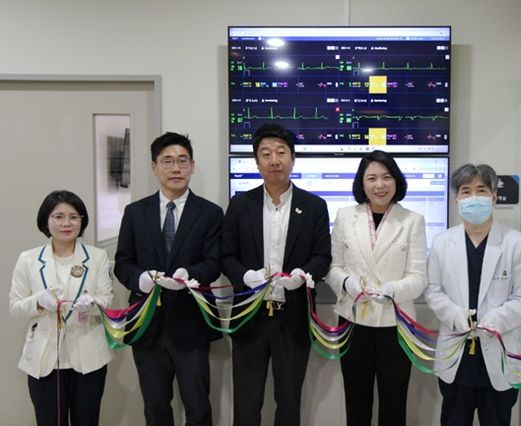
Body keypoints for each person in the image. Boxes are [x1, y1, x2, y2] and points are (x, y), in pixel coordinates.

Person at [221, 122, 331, 426]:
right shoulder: (240, 205)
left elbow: (323, 256)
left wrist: (303, 275)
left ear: (292, 158)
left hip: (292, 318)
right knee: (246, 403)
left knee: (289, 402)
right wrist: (245, 277)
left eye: (281, 152)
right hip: (249, 317)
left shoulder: (314, 206)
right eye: (266, 153)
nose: (274, 160)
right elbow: (225, 256)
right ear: (256, 162)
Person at [114, 132, 224, 426]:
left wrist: (191, 274)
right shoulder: (135, 212)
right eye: (167, 161)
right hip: (147, 324)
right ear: (154, 167)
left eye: (182, 161)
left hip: (191, 323)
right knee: (155, 407)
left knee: (198, 407)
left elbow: (213, 264)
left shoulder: (210, 213)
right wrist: (141, 279)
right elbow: (123, 263)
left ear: (192, 166)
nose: (176, 168)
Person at [425, 163, 521, 426]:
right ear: (457, 199)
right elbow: (433, 291)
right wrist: (455, 315)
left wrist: (495, 320)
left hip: (500, 353)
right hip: (456, 357)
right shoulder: (443, 242)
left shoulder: (517, 243)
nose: (473, 197)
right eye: (466, 191)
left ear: (494, 197)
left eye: (481, 190)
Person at [324, 150, 427, 426]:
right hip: (353, 319)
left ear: (396, 180)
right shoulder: (346, 216)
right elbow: (333, 267)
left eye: (386, 177)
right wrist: (348, 283)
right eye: (371, 178)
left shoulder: (413, 220)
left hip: (397, 323)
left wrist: (393, 290)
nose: (379, 185)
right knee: (356, 401)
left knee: (394, 403)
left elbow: (419, 277)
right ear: (362, 183)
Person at [9, 190, 113, 426]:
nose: (67, 223)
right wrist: (38, 301)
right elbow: (15, 306)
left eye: (74, 217)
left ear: (82, 221)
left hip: (89, 357)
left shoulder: (97, 257)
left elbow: (106, 300)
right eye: (58, 217)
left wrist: (91, 305)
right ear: (46, 221)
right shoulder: (28, 259)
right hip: (44, 361)